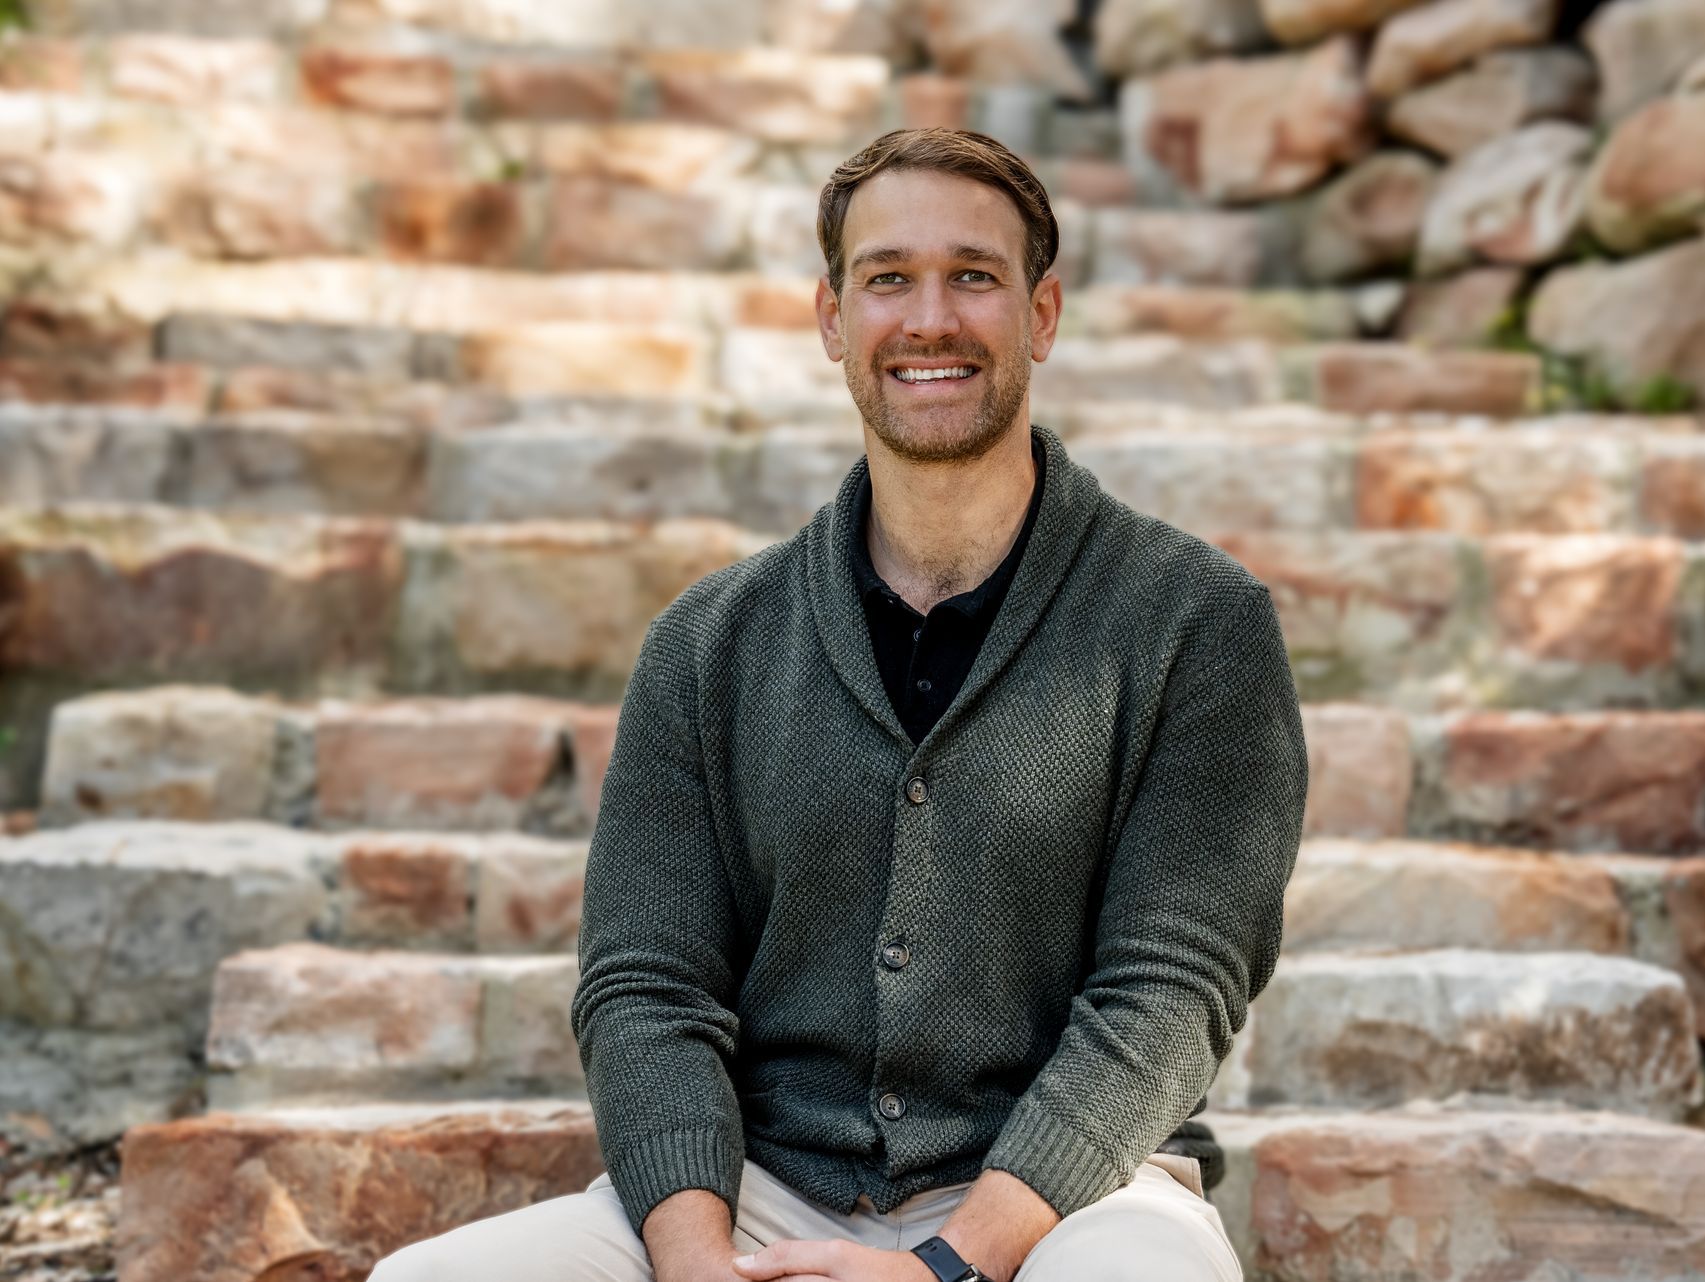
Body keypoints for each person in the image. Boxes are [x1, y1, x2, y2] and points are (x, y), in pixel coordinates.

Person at [369, 127, 1307, 1282]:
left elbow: (1173, 987)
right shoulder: (708, 643)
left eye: (975, 276)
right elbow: (647, 985)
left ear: (1043, 315)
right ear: (830, 319)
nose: (930, 318)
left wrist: (946, 1267)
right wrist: (698, 1259)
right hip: (757, 1187)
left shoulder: (1196, 624)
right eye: (887, 279)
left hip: (1076, 1193)